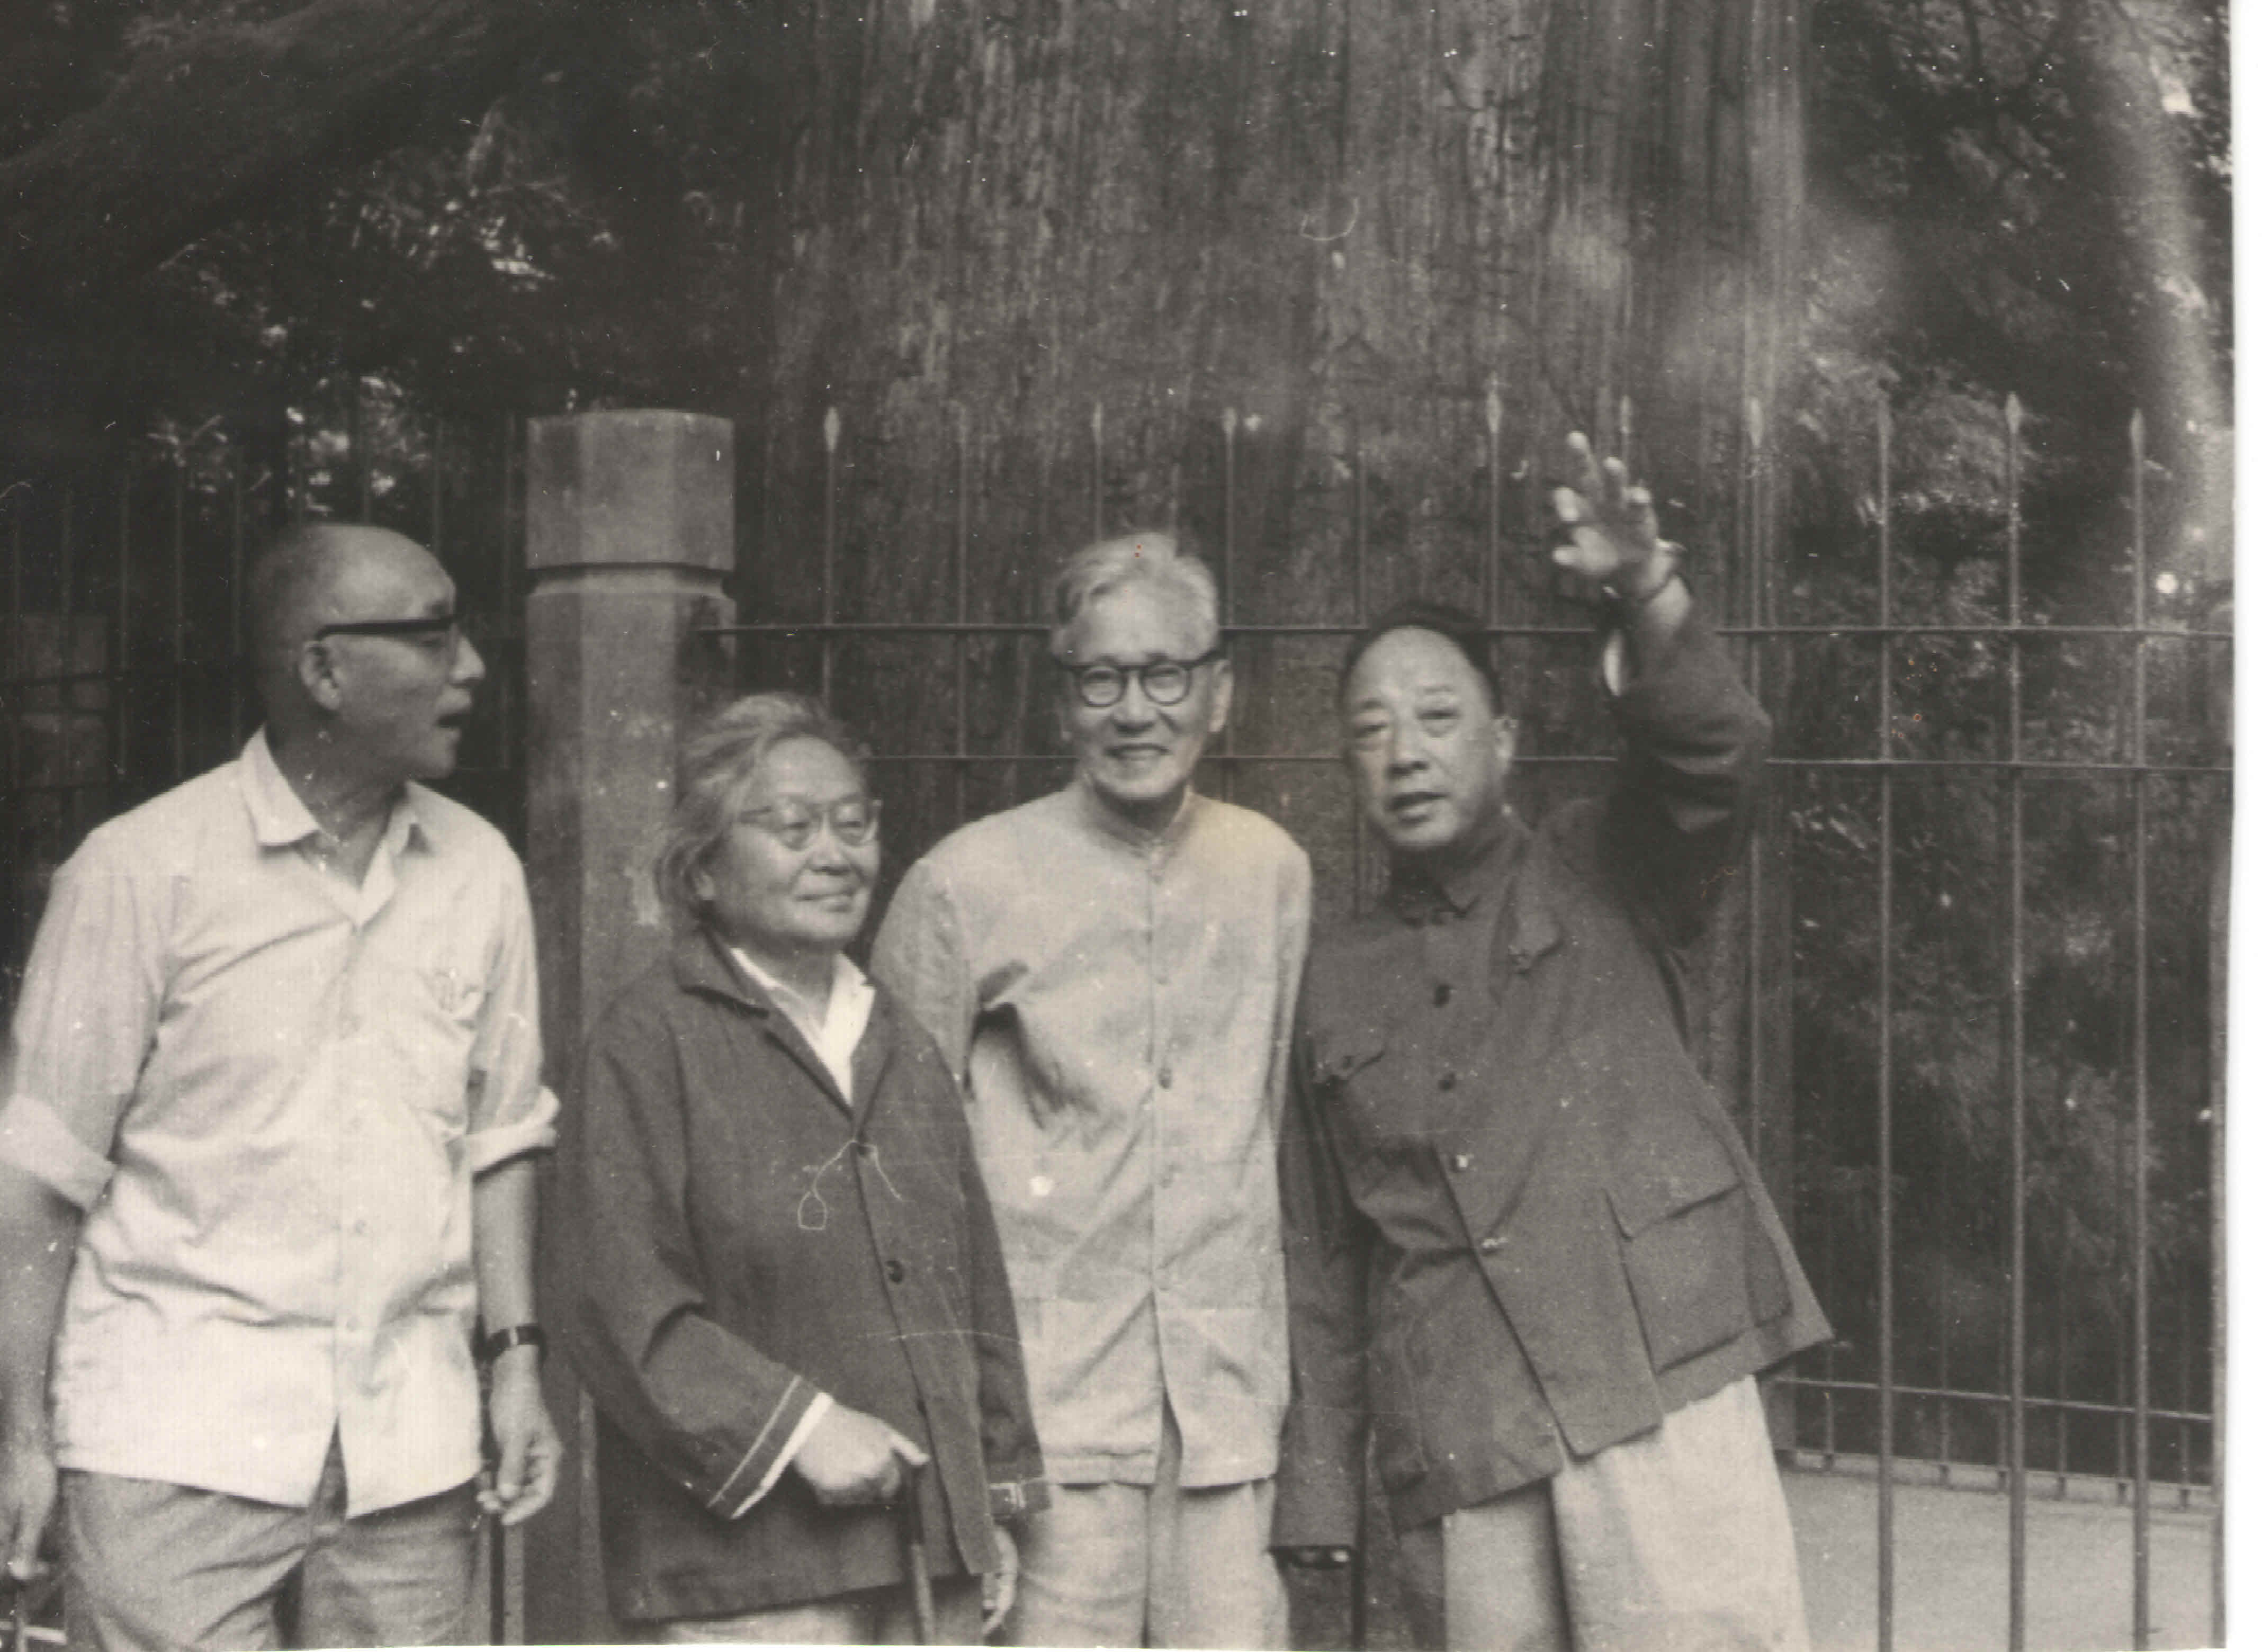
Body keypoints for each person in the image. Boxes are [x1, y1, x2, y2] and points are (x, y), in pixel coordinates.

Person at [1274, 436, 1832, 1651]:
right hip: (1466, 1440)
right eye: (1373, 730)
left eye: (1438, 718)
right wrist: (1319, 1488)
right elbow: (1320, 1262)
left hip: (1662, 1388)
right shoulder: (1328, 979)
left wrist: (1647, 591)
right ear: (1349, 764)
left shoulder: (1608, 863)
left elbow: (1717, 758)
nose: (1407, 752)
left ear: (1506, 739)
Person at [0, 524, 561, 1649]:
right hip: (170, 1450)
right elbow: (38, 1180)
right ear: (323, 669)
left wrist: (516, 1367)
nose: (471, 668)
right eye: (433, 636)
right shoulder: (140, 869)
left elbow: (500, 1141)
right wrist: (22, 1440)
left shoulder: (481, 872)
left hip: (410, 1458)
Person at [873, 532, 1312, 1648]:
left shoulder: (1271, 872)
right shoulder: (963, 884)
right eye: (1101, 679)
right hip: (1050, 1431)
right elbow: (898, 1181)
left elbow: (1274, 1131)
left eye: (1166, 675)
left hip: (1224, 1420)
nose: (1135, 711)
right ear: (1060, 702)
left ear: (1220, 694)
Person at [547, 693, 1046, 1644]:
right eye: (792, 828)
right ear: (702, 869)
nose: (834, 855)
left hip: (929, 1563)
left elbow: (973, 1283)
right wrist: (801, 1427)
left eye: (853, 825)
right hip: (747, 1584)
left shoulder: (899, 1039)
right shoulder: (647, 1043)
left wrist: (989, 1508)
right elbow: (614, 1300)